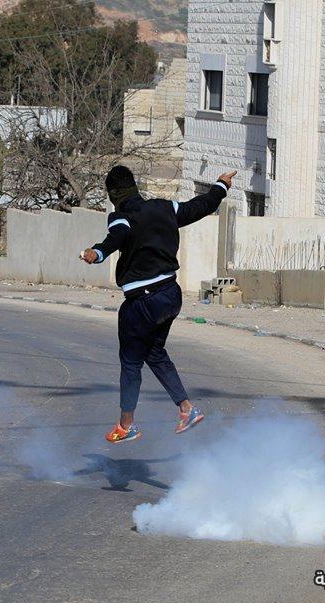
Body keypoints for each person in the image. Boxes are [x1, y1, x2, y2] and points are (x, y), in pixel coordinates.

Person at [80, 166, 237, 444]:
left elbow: (116, 237)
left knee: (131, 362)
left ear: (113, 195)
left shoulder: (121, 217)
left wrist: (97, 252)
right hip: (170, 295)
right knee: (154, 353)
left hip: (143, 300)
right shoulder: (165, 208)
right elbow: (200, 206)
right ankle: (187, 409)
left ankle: (126, 425)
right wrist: (220, 186)